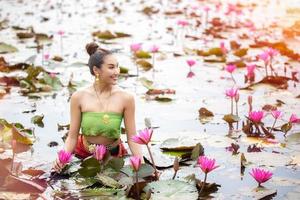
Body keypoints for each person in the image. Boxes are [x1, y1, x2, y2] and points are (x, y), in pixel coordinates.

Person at [53, 42, 143, 172]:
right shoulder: (78, 97)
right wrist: (63, 158)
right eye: (111, 67)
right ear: (96, 70)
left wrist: (141, 161)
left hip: (114, 155)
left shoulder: (126, 98)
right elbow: (72, 137)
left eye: (117, 67)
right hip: (84, 153)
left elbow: (131, 137)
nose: (117, 72)